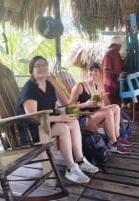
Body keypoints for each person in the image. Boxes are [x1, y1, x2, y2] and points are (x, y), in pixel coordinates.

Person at [17, 55, 98, 184]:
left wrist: (65, 113)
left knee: (73, 121)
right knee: (63, 127)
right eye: (38, 65)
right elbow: (33, 117)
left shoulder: (48, 85)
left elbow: (54, 106)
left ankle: (80, 160)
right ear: (31, 70)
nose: (42, 67)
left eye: (44, 65)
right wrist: (60, 118)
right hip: (32, 130)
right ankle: (71, 168)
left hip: (48, 124)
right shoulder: (29, 89)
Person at [69, 62, 132, 154]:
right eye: (92, 70)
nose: (94, 73)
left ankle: (117, 138)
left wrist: (100, 104)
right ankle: (112, 143)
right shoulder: (79, 86)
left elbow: (101, 106)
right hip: (83, 119)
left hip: (94, 115)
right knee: (108, 112)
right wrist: (85, 105)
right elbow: (69, 108)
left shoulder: (97, 87)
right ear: (87, 71)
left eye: (96, 71)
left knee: (116, 107)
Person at [101, 35, 127, 105]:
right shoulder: (108, 54)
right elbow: (106, 70)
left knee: (117, 103)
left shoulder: (117, 53)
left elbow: (121, 64)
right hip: (110, 84)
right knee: (113, 104)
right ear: (116, 45)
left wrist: (128, 57)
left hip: (116, 83)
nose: (121, 47)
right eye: (120, 45)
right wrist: (119, 74)